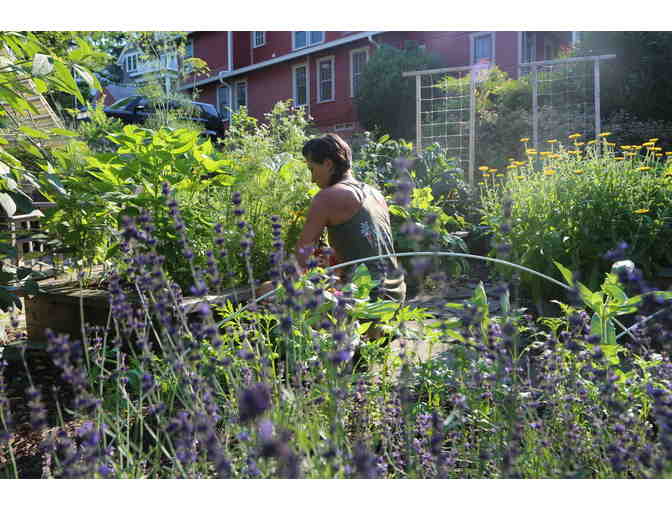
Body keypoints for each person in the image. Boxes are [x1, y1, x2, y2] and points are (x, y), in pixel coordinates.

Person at [296, 133, 406, 305]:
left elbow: (301, 258)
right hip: (396, 294)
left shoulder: (326, 197)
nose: (312, 179)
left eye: (312, 169)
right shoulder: (375, 193)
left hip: (366, 299)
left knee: (267, 290)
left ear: (328, 164)